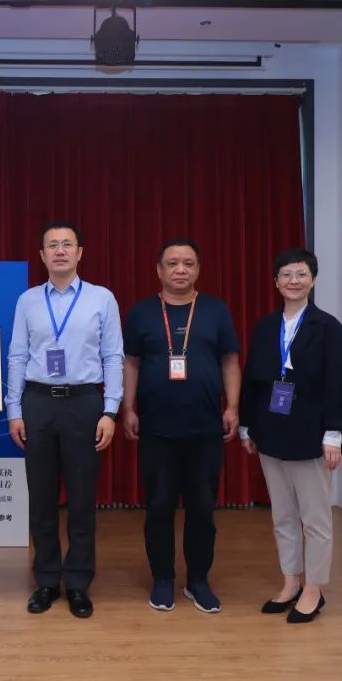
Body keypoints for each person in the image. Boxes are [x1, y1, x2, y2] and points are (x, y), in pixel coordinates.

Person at [6, 221, 124, 619]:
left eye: (67, 244)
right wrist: (14, 410)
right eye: (52, 245)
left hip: (84, 403)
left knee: (82, 498)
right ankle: (46, 580)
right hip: (38, 402)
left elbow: (113, 355)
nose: (60, 251)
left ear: (79, 253)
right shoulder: (28, 301)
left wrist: (110, 410)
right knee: (41, 498)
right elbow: (17, 356)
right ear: (42, 256)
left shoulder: (101, 298)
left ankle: (77, 582)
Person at [122, 238, 240, 614]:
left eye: (188, 263)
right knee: (159, 507)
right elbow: (131, 363)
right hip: (156, 428)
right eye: (172, 263)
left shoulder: (215, 310)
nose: (180, 269)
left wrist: (232, 406)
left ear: (198, 269)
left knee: (202, 507)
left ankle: (198, 580)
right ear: (159, 270)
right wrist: (128, 408)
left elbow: (230, 361)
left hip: (205, 427)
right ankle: (162, 578)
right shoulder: (142, 312)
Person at [239, 247, 342, 624]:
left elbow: (339, 385)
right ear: (276, 282)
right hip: (271, 432)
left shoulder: (329, 328)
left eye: (301, 274)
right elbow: (253, 381)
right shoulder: (265, 327)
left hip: (311, 433)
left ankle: (314, 589)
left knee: (315, 519)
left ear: (313, 280)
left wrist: (333, 433)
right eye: (286, 274)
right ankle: (291, 582)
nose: (294, 281)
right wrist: (247, 425)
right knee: (282, 515)